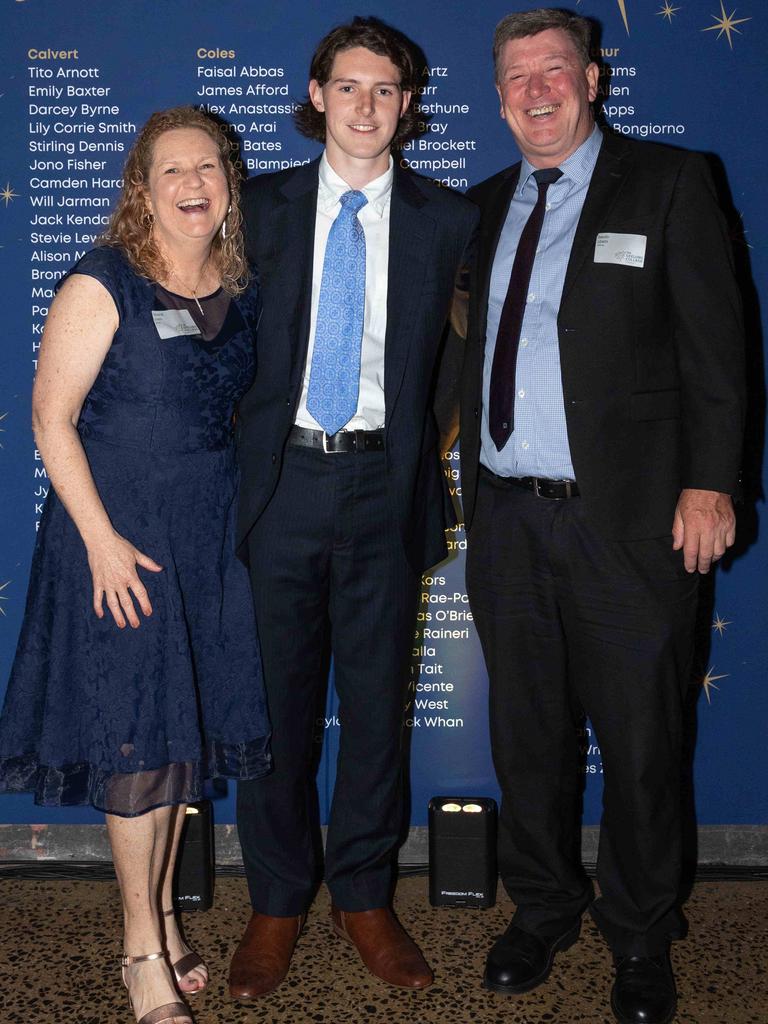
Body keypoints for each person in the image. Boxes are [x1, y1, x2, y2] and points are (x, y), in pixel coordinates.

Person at [457, 9, 745, 1024]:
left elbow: (721, 348)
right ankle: (542, 907)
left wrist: (714, 481)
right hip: (508, 525)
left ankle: (639, 933)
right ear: (497, 97)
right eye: (516, 75)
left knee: (639, 742)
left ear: (594, 78)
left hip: (629, 527)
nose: (536, 89)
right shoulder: (483, 206)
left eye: (554, 69)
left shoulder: (669, 186)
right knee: (528, 739)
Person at [0, 107, 271, 1024]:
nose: (194, 183)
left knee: (174, 748)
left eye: (209, 168)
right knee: (135, 752)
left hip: (204, 538)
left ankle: (158, 917)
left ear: (227, 185)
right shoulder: (102, 280)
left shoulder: (239, 283)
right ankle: (140, 952)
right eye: (172, 170)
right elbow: (51, 420)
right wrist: (102, 541)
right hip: (117, 540)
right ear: (142, 189)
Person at [229, 16, 478, 999]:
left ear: (406, 106)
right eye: (350, 86)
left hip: (383, 486)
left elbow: (464, 358)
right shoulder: (257, 209)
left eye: (386, 90)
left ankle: (366, 896)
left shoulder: (447, 220)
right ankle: (278, 901)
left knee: (376, 709)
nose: (367, 105)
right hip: (280, 486)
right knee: (275, 712)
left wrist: (424, 448)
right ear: (317, 93)